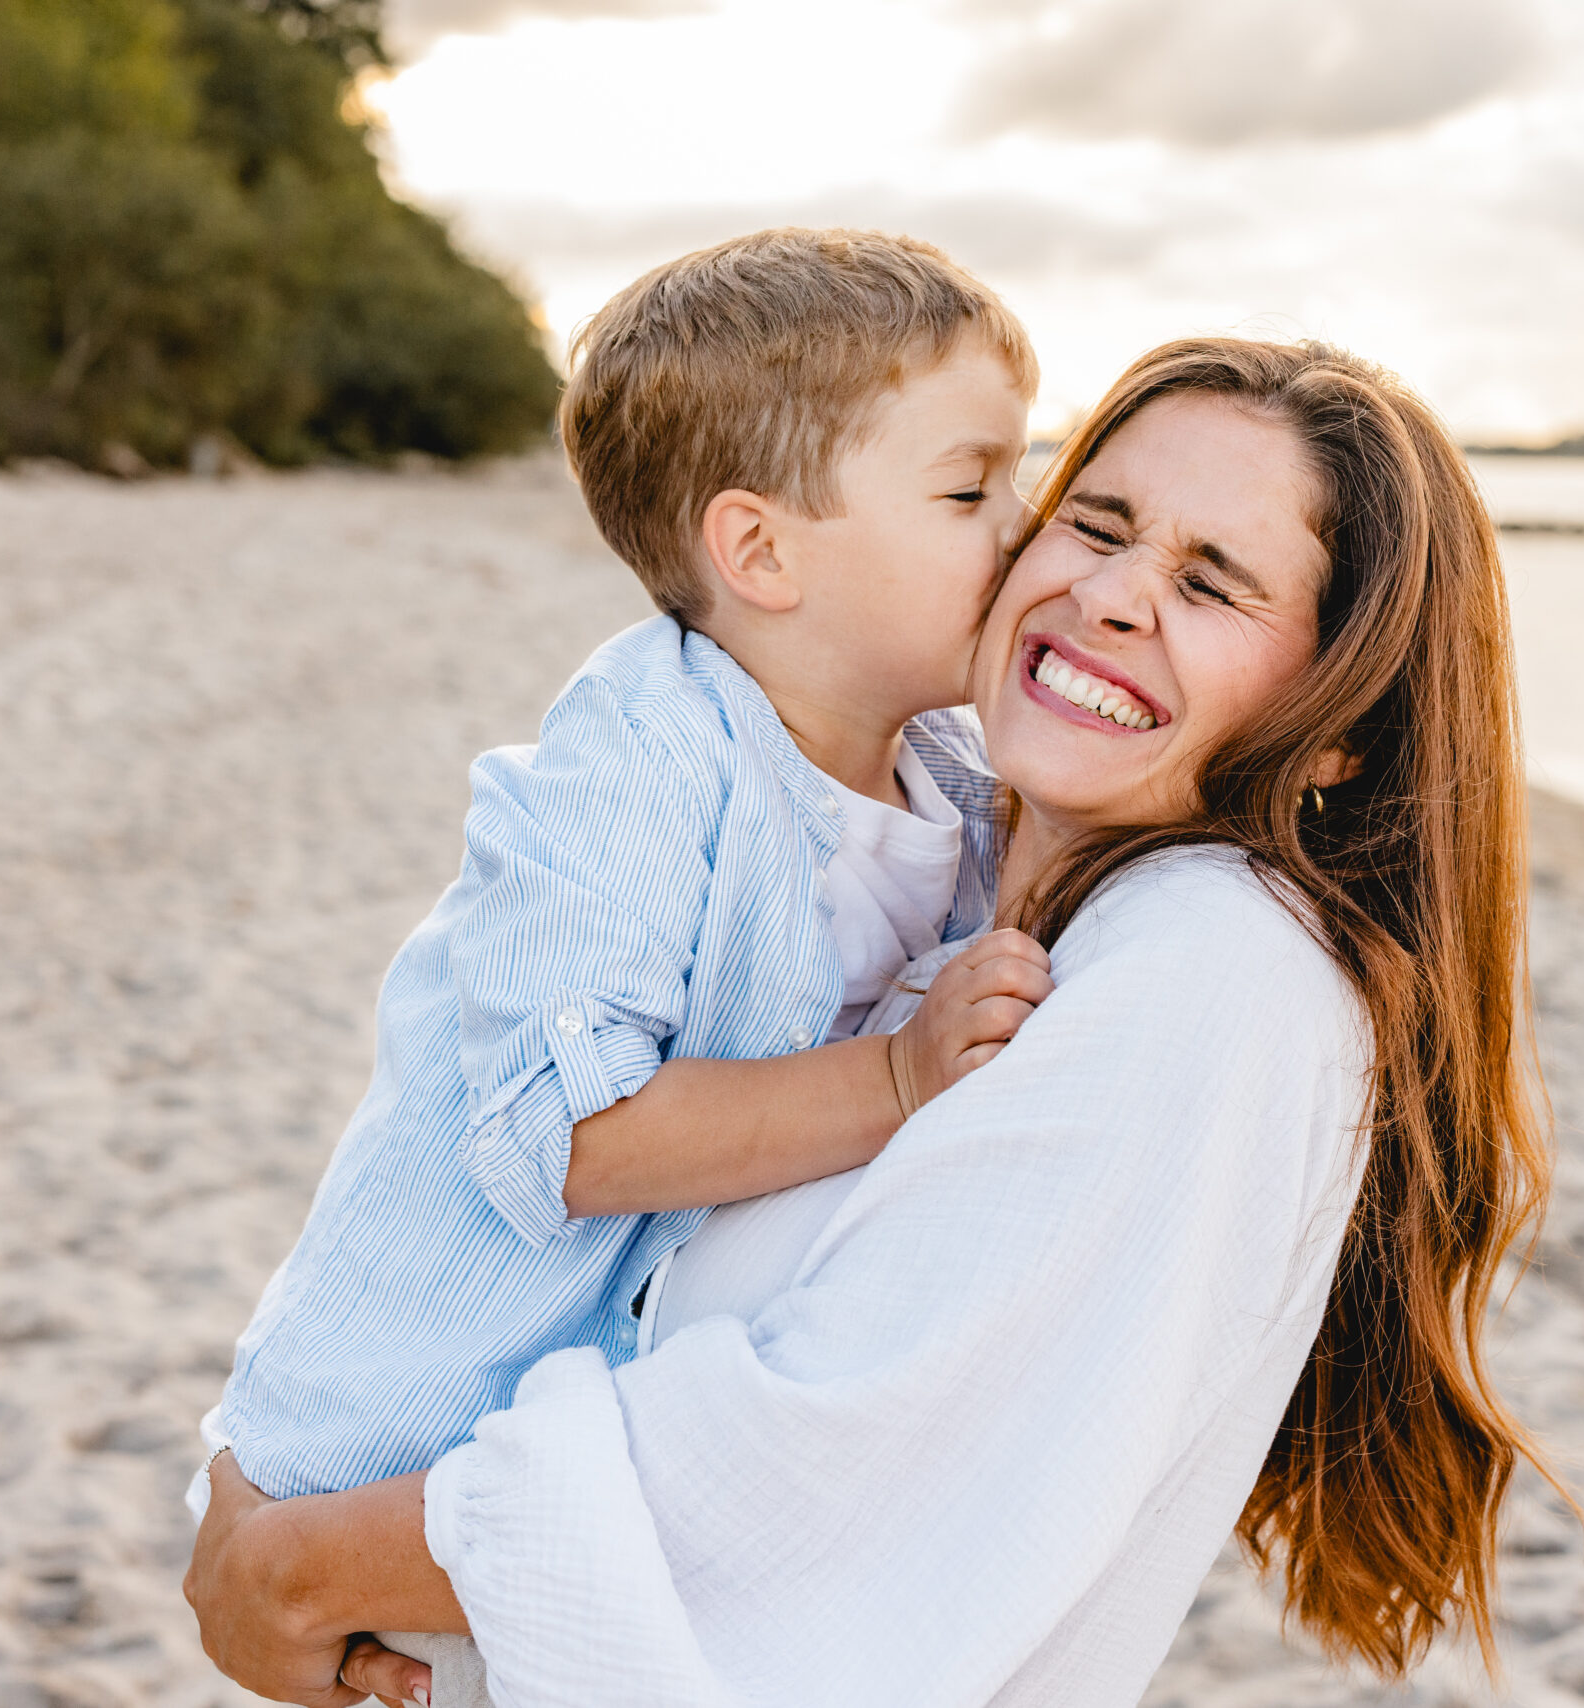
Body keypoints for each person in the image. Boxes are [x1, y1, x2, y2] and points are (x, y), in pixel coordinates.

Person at [187, 338, 1558, 1708]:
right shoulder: (947, 905)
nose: (1115, 594)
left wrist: (300, 1567)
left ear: (1340, 731)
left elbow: (805, 1467)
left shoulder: (1217, 965)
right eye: (1095, 522)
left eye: (1212, 583)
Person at [194, 228, 1063, 1686]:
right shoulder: (636, 764)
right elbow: (569, 1130)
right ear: (761, 551)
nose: (1027, 529)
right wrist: (898, 1076)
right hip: (403, 1446)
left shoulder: (954, 778)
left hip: (589, 1461)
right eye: (974, 489)